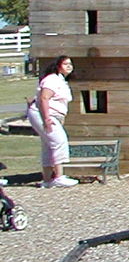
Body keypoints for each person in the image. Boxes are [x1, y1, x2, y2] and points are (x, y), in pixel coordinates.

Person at [26, 55, 78, 188]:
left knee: (49, 145)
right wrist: (47, 119)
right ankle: (59, 177)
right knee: (59, 142)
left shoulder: (62, 81)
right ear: (58, 66)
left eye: (70, 64)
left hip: (54, 115)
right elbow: (44, 98)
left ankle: (47, 179)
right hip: (42, 114)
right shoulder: (52, 80)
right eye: (65, 64)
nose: (69, 66)